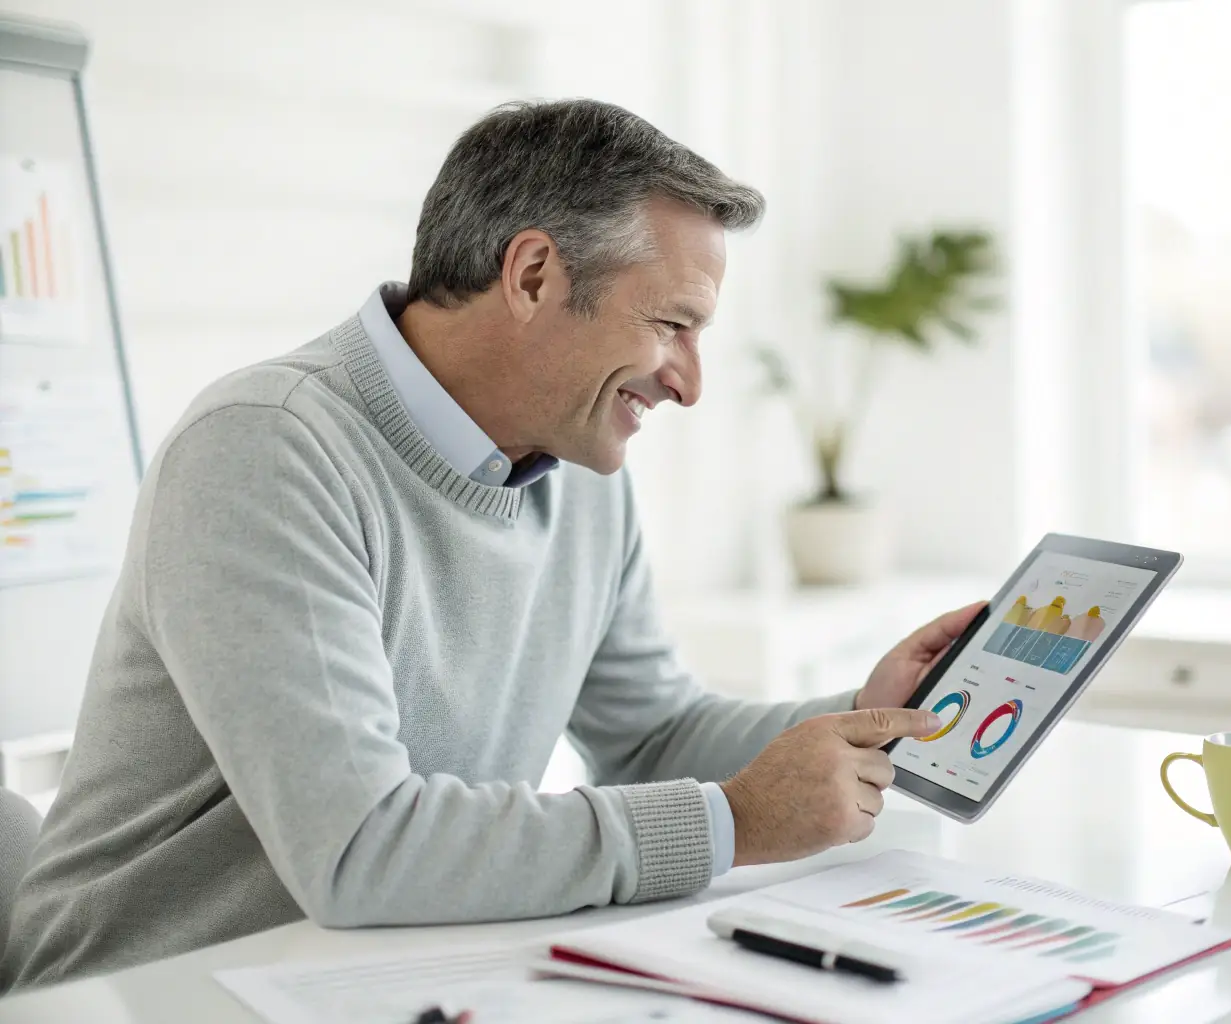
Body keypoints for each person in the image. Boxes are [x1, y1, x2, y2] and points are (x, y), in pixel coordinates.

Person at [0, 99, 980, 992]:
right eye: (673, 324)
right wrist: (729, 821)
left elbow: (648, 736)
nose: (689, 382)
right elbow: (360, 848)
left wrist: (864, 716)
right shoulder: (266, 448)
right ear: (535, 274)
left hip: (366, 977)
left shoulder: (580, 477)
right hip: (134, 993)